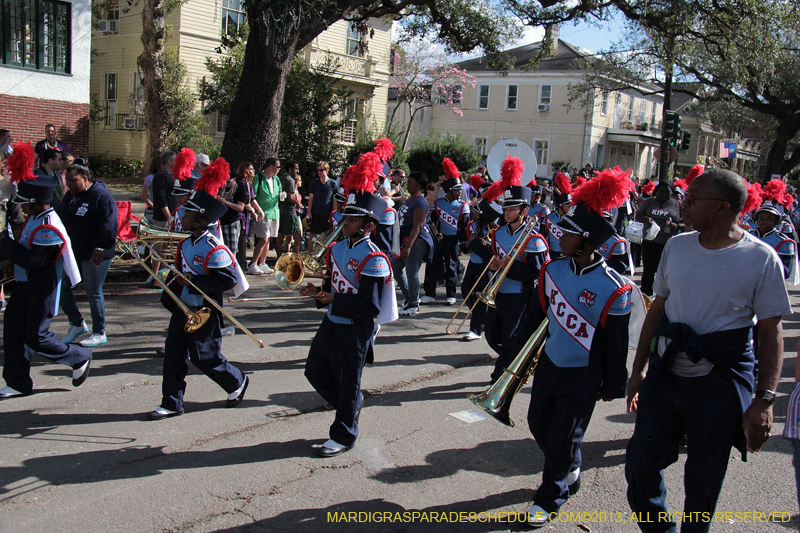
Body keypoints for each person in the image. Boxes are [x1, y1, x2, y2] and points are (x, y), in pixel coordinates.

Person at [625, 168, 792, 533]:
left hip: (718, 385)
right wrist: (638, 369)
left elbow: (770, 334)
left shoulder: (761, 258)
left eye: (693, 198)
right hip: (666, 378)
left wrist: (764, 401)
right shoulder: (676, 246)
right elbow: (657, 311)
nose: (683, 205)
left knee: (702, 484)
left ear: (720, 207)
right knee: (639, 468)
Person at [526, 169, 635, 528]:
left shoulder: (614, 288)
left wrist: (613, 385)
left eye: (568, 232)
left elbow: (616, 344)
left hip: (585, 373)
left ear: (587, 241)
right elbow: (537, 319)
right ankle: (569, 464)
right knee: (537, 422)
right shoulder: (551, 271)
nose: (559, 235)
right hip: (550, 364)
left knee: (561, 435)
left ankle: (550, 496)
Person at [299, 154, 396, 457]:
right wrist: (319, 291)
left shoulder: (375, 258)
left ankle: (344, 434)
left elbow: (369, 305)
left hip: (357, 326)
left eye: (352, 219)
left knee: (348, 379)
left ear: (367, 225)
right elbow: (333, 281)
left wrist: (334, 299)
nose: (345, 222)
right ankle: (351, 403)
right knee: (314, 371)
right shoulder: (337, 247)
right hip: (333, 319)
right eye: (345, 217)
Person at [148, 158, 250, 420]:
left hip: (204, 308)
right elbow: (180, 271)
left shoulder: (214, 248)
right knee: (173, 356)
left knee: (204, 357)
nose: (182, 215)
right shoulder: (185, 244)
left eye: (189, 213)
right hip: (182, 307)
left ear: (201, 220)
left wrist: (191, 282)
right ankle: (171, 402)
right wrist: (171, 282)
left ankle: (236, 381)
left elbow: (226, 280)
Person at [0, 142, 91, 399]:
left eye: (25, 204)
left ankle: (79, 356)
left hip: (42, 288)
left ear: (37, 203)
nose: (22, 208)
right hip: (25, 284)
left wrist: (4, 244)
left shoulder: (49, 226)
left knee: (36, 336)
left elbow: (35, 261)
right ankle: (17, 382)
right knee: (14, 330)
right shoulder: (36, 218)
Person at [481, 156, 548, 384]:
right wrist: (495, 265)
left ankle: (499, 378)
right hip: (498, 292)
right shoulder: (498, 233)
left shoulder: (534, 239)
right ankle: (517, 358)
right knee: (491, 334)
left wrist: (507, 267)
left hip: (520, 296)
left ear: (523, 210)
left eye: (512, 208)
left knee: (510, 339)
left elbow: (535, 275)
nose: (506, 212)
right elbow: (497, 259)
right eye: (505, 207)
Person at [58, 164, 118, 347]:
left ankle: (99, 331)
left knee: (93, 291)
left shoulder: (101, 196)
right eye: (67, 181)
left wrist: (101, 246)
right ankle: (77, 324)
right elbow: (61, 216)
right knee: (60, 285)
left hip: (96, 252)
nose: (69, 185)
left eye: (73, 181)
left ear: (85, 178)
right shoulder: (71, 196)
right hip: (74, 250)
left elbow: (109, 223)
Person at [423, 159, 470, 305]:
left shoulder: (463, 206)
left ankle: (451, 294)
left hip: (453, 239)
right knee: (432, 265)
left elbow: (464, 227)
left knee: (451, 266)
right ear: (449, 191)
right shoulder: (438, 204)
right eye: (457, 190)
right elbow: (432, 221)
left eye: (460, 190)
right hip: (439, 239)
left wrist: (462, 246)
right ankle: (430, 293)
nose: (460, 192)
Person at [391, 171, 434, 316]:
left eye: (411, 182)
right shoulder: (409, 200)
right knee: (395, 269)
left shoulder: (420, 201)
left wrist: (408, 246)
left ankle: (413, 304)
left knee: (412, 273)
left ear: (419, 185)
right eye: (407, 182)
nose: (407, 185)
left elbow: (417, 226)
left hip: (416, 241)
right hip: (404, 241)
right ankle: (410, 297)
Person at [461, 198, 502, 341]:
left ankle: (476, 329)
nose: (476, 214)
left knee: (480, 297)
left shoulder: (496, 230)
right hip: (472, 264)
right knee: (465, 290)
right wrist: (468, 245)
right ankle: (482, 316)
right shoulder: (472, 225)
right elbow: (464, 246)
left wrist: (474, 243)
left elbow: (488, 253)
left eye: (479, 213)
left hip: (486, 267)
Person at [635, 180, 682, 296]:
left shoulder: (677, 204)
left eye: (668, 192)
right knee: (648, 270)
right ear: (657, 191)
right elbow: (638, 215)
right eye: (662, 191)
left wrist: (676, 226)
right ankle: (646, 296)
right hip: (650, 242)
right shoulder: (649, 202)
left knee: (665, 272)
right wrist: (646, 219)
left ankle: (662, 297)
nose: (665, 194)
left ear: (672, 192)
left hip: (667, 243)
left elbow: (684, 222)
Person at [750, 183, 798, 282]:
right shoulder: (748, 235)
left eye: (769, 219)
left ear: (777, 221)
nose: (764, 221)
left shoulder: (784, 241)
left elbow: (785, 272)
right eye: (761, 218)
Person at [249, 157, 282, 275]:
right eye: (278, 167)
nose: (279, 169)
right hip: (263, 213)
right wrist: (257, 210)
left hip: (275, 212)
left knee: (269, 239)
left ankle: (262, 263)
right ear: (270, 167)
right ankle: (253, 264)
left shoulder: (276, 179)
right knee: (263, 239)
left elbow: (279, 194)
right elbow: (253, 196)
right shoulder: (258, 178)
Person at [306, 161, 337, 249]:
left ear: (327, 170)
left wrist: (333, 213)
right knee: (312, 235)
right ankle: (311, 255)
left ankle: (323, 257)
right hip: (315, 212)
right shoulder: (314, 183)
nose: (319, 172)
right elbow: (311, 198)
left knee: (326, 236)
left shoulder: (333, 183)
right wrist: (309, 212)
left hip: (327, 214)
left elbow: (334, 200)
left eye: (321, 170)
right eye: (318, 170)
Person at [544, 173, 572, 261]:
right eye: (567, 205)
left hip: (568, 255)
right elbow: (544, 236)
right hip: (552, 254)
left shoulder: (573, 220)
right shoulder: (549, 218)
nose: (570, 207)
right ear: (560, 205)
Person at [277, 160, 303, 257]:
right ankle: (296, 260)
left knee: (280, 237)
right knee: (297, 237)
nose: (297, 171)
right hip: (290, 212)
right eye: (296, 168)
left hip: (280, 211)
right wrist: (298, 204)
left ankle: (279, 259)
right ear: (290, 169)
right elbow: (290, 197)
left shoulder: (279, 178)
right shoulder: (290, 180)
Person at [141, 157, 161, 223]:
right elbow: (143, 195)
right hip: (152, 209)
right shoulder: (150, 178)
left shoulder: (167, 177)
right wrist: (153, 206)